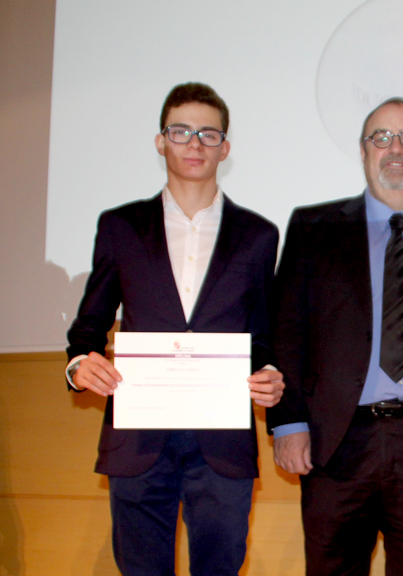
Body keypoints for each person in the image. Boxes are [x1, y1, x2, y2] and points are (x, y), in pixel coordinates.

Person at [64, 82, 283, 575]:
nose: (195, 144)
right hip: (139, 437)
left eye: (209, 134)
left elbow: (262, 335)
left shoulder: (258, 234)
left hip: (222, 442)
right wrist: (80, 365)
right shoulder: (121, 226)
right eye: (181, 131)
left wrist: (268, 372)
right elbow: (89, 326)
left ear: (225, 148)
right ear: (160, 141)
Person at [268, 97, 403, 576]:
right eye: (382, 137)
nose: (396, 148)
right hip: (335, 442)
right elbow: (286, 330)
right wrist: (288, 423)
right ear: (363, 151)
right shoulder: (313, 227)